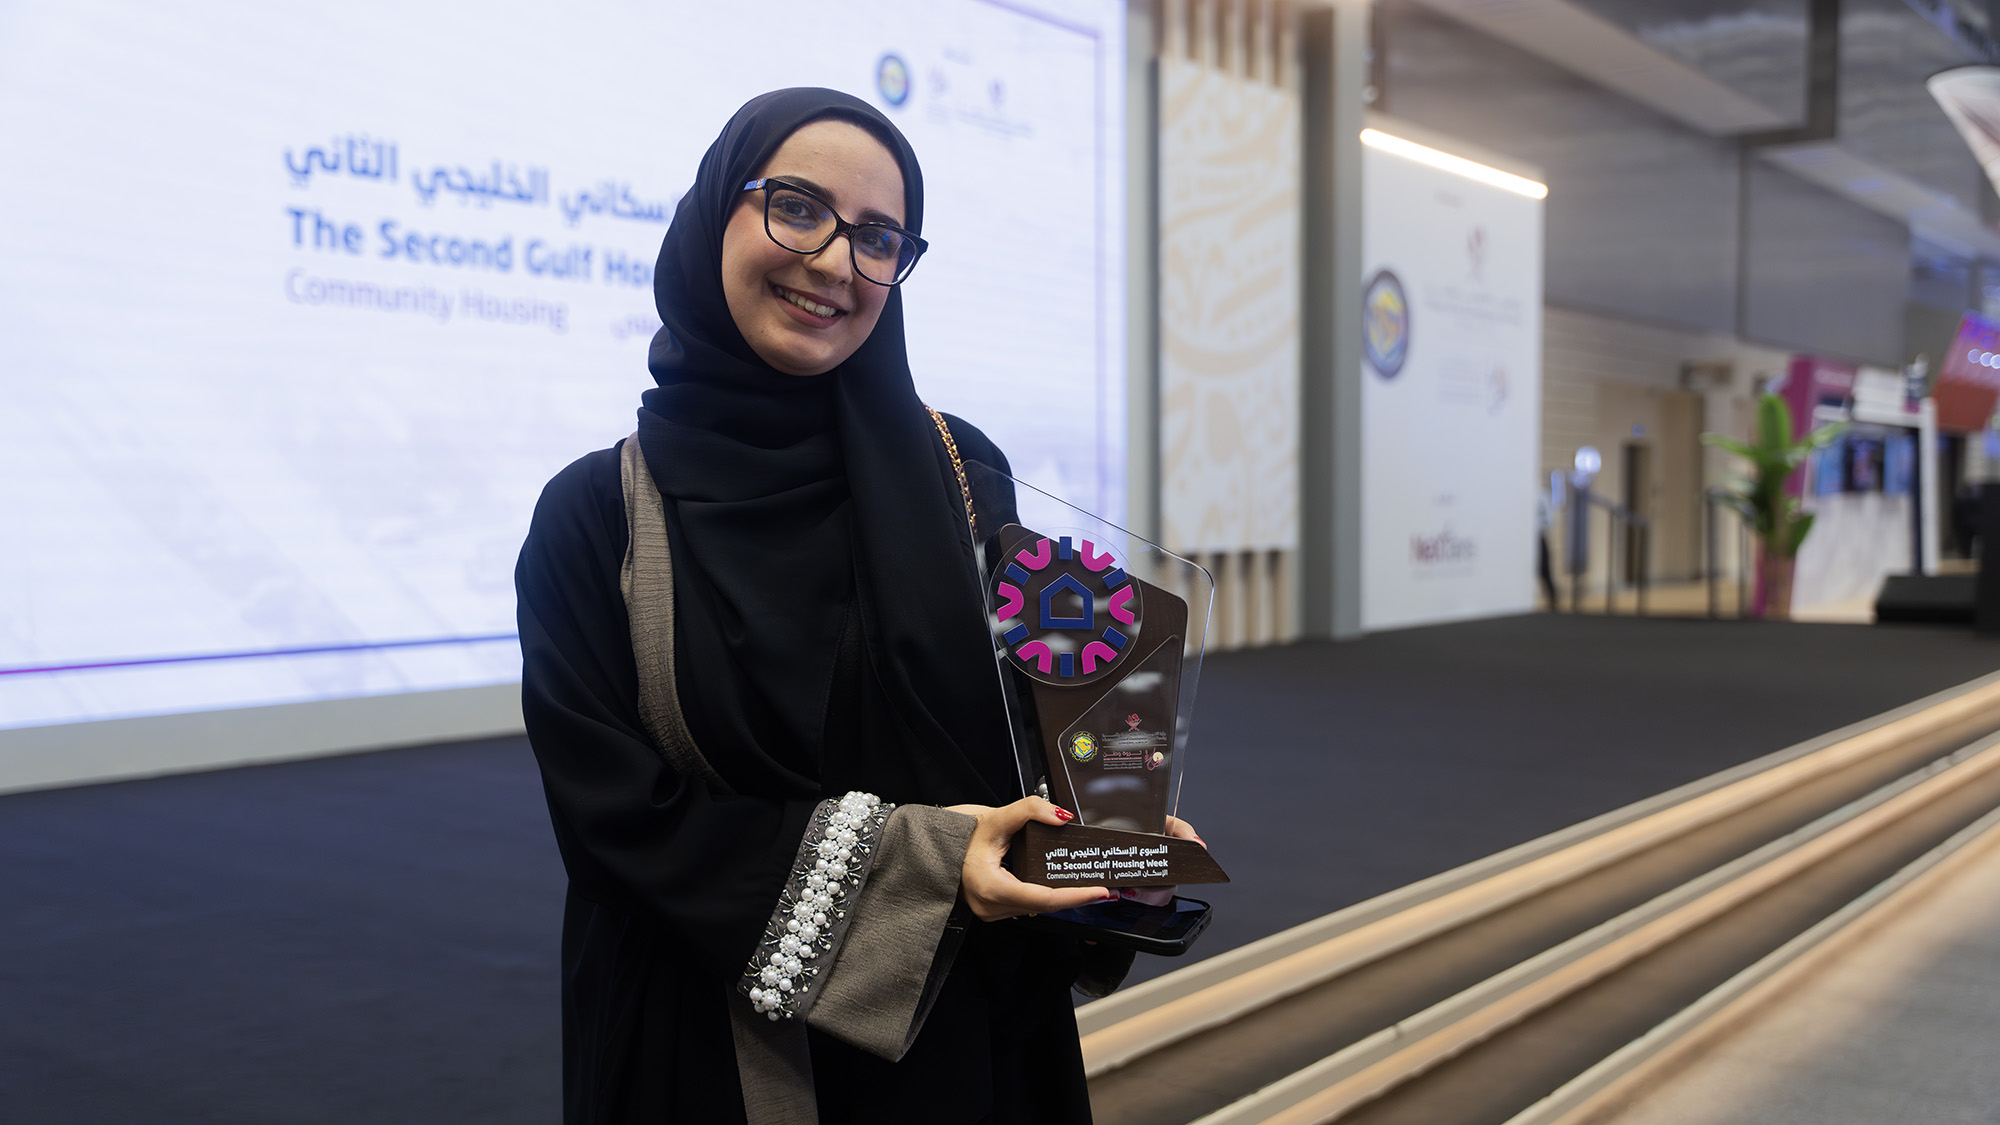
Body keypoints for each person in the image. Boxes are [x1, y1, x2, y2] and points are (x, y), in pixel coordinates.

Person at [515, 88, 1199, 1125]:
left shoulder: (962, 472)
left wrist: (1111, 823)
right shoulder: (596, 517)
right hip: (715, 1047)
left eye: (878, 236)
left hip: (962, 1038)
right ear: (713, 216)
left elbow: (1032, 731)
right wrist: (927, 867)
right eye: (796, 207)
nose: (835, 262)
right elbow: (616, 822)